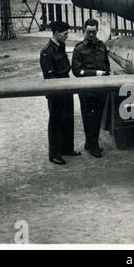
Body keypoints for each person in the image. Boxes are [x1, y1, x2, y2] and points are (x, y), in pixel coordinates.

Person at [39, 21, 81, 165]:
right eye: (65, 34)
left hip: (66, 87)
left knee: (68, 118)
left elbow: (65, 66)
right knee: (56, 121)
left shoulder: (60, 46)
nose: (67, 36)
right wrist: (59, 87)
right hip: (56, 91)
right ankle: (54, 154)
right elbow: (49, 76)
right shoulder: (47, 51)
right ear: (56, 33)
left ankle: (67, 148)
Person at [72, 18, 111, 158]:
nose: (91, 35)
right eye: (89, 32)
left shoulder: (102, 46)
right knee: (88, 117)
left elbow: (106, 64)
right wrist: (95, 73)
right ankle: (92, 145)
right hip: (87, 89)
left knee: (98, 116)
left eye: (94, 32)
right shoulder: (79, 48)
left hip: (100, 88)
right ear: (84, 31)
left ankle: (91, 143)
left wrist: (106, 73)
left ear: (97, 31)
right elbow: (76, 71)